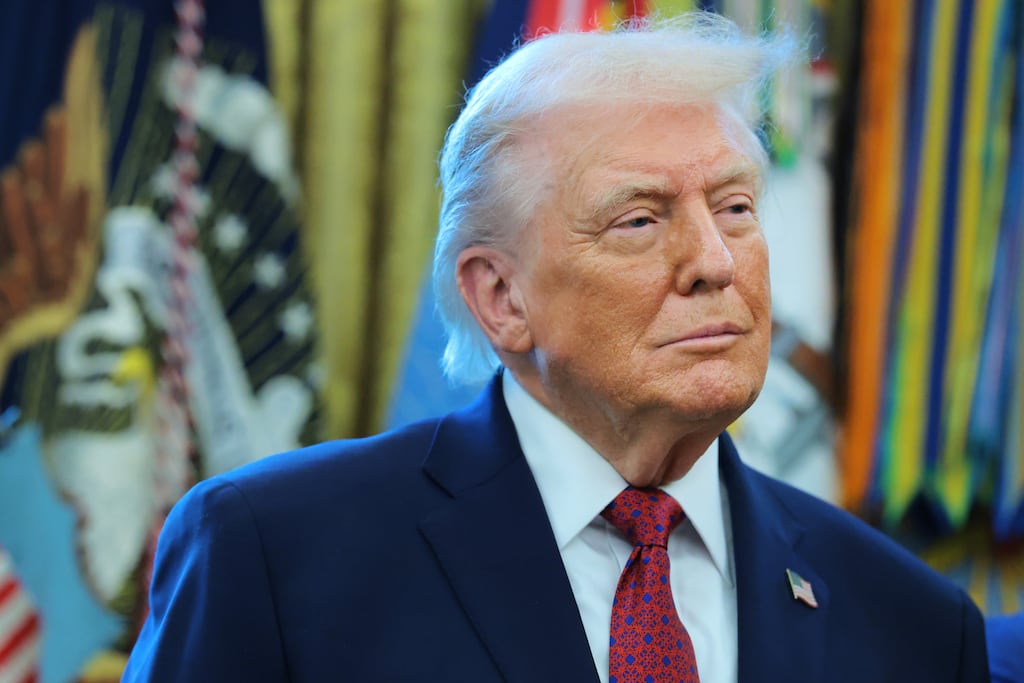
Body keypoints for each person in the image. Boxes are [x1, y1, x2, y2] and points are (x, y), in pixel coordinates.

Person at [123, 13, 988, 682]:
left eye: (734, 207)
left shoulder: (909, 616)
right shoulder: (276, 554)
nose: (715, 263)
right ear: (500, 296)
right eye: (640, 219)